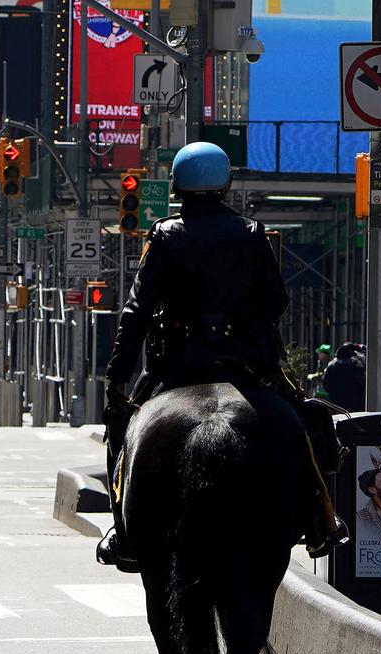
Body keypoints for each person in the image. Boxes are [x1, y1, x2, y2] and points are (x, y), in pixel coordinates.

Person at [95, 141, 342, 570]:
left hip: (177, 363)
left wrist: (117, 378)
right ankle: (320, 516)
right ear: (225, 185)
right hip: (246, 362)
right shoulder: (251, 232)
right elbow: (276, 301)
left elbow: (136, 311)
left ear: (177, 187)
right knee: (301, 423)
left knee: (123, 426)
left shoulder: (164, 235)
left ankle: (124, 530)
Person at [320, 343, 363, 407]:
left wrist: (332, 393)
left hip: (336, 400)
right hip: (353, 400)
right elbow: (361, 381)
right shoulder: (355, 364)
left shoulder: (331, 365)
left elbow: (325, 382)